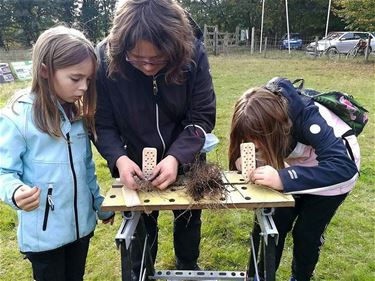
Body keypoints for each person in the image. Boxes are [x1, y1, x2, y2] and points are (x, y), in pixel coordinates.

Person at [94, 0, 216, 278]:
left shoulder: (192, 52)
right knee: (140, 223)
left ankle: (187, 266)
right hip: (133, 160)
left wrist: (176, 158)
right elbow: (101, 122)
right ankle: (142, 271)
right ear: (122, 48)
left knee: (188, 217)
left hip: (187, 157)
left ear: (175, 49)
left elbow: (202, 116)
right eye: (137, 58)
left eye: (157, 59)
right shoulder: (105, 56)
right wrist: (119, 159)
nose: (147, 66)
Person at [0, 25, 115, 281]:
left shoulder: (77, 117)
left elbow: (86, 168)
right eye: (76, 78)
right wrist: (15, 192)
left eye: (88, 80)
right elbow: (3, 171)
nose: (84, 87)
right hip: (44, 239)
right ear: (44, 70)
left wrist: (99, 204)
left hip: (81, 231)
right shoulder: (18, 117)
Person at [228, 78, 360, 281]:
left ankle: (300, 278)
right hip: (295, 165)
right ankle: (260, 276)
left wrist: (284, 177)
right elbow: (259, 145)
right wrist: (248, 161)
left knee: (307, 234)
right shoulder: (260, 110)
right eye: (248, 138)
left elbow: (343, 167)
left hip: (334, 171)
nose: (253, 144)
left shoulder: (307, 117)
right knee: (272, 224)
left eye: (257, 139)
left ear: (275, 128)